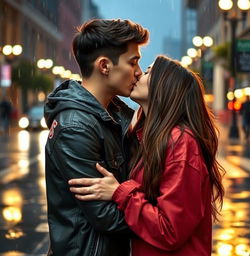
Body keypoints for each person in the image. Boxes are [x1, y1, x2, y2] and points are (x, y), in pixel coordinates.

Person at [69, 55, 225, 256]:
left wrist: (120, 192)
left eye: (149, 71)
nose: (139, 73)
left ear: (165, 87)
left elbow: (170, 230)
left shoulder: (182, 143)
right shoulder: (152, 137)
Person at [44, 19, 149, 255]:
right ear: (104, 66)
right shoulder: (76, 126)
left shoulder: (115, 113)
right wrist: (159, 217)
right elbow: (106, 216)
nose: (139, 72)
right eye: (133, 62)